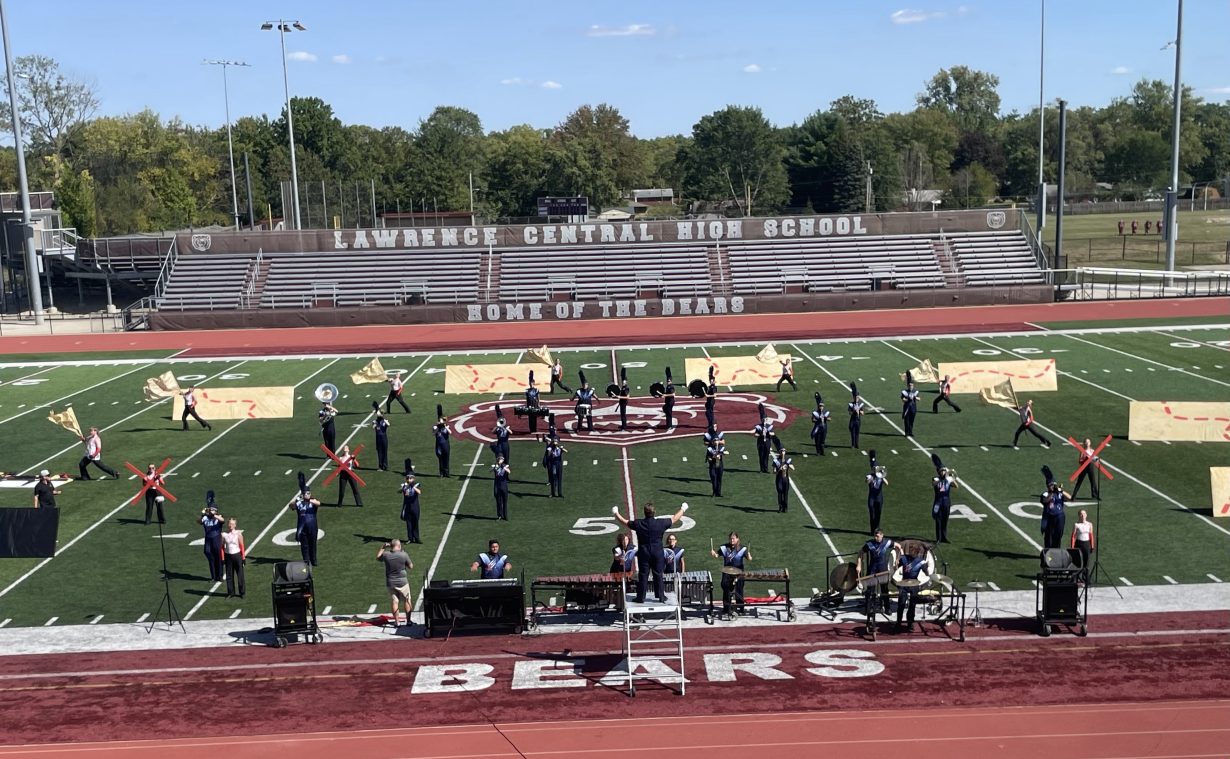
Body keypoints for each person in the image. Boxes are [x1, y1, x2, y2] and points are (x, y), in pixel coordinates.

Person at [614, 502, 688, 603]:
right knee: (658, 574)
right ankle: (661, 596)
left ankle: (641, 597)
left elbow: (624, 521)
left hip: (644, 553)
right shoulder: (660, 523)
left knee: (643, 575)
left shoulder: (639, 523)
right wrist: (683, 509)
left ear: (644, 512)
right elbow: (675, 518)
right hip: (657, 553)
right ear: (654, 512)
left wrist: (616, 513)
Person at [856, 528, 894, 616]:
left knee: (884, 589)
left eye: (877, 536)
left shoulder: (887, 542)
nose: (876, 538)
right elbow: (860, 552)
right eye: (875, 536)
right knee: (870, 590)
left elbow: (898, 546)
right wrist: (859, 565)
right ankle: (868, 608)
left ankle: (887, 608)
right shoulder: (870, 544)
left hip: (883, 569)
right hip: (872, 569)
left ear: (882, 535)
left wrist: (898, 557)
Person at [711, 532, 751, 616]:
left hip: (739, 572)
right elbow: (717, 555)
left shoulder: (742, 548)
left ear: (737, 539)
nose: (732, 540)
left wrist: (749, 556)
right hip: (727, 572)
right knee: (725, 587)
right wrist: (714, 554)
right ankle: (726, 607)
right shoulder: (724, 548)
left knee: (739, 589)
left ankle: (740, 608)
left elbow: (749, 558)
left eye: (733, 538)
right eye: (730, 539)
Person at [377, 539, 413, 627]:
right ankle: (408, 621)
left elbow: (378, 557)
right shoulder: (403, 554)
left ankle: (397, 622)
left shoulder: (386, 554)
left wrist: (383, 547)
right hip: (403, 582)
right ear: (399, 546)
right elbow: (411, 566)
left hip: (391, 582)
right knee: (407, 600)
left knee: (395, 601)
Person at [895, 550, 927, 631]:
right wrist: (897, 562)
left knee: (912, 605)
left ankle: (910, 623)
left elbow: (926, 572)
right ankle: (898, 622)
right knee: (901, 604)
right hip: (904, 583)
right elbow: (896, 567)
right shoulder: (903, 559)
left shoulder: (921, 562)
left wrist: (926, 569)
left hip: (914, 584)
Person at [291, 485, 322, 567]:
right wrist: (296, 500)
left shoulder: (313, 501)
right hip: (302, 527)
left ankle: (314, 560)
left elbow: (319, 503)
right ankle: (306, 561)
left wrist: (308, 500)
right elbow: (291, 506)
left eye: (308, 493)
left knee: (313, 544)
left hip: (313, 527)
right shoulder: (299, 503)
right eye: (305, 493)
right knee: (304, 546)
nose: (307, 495)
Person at [199, 495, 225, 583]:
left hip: (216, 539)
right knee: (208, 553)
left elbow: (222, 520)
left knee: (218, 557)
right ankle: (213, 576)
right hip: (208, 539)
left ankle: (220, 576)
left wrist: (214, 514)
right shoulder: (205, 517)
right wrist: (203, 515)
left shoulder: (218, 516)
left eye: (212, 509)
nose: (210, 511)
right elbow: (198, 521)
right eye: (209, 509)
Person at [1040, 480, 1071, 550]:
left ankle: (1056, 550)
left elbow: (1070, 498)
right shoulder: (1045, 494)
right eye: (1050, 485)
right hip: (1049, 517)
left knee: (1058, 534)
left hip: (1060, 517)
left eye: (1053, 485)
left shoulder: (1059, 494)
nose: (1052, 487)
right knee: (1049, 535)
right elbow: (1045, 500)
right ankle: (1048, 551)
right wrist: (1052, 493)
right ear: (1048, 486)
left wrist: (1061, 491)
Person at [221, 517, 246, 598]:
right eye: (229, 523)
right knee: (229, 575)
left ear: (235, 525)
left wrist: (243, 558)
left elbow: (242, 546)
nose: (230, 525)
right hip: (228, 556)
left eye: (232, 524)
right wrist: (222, 558)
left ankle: (242, 592)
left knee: (240, 575)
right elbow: (222, 547)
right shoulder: (224, 534)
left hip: (237, 555)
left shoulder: (238, 533)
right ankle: (231, 593)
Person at [932, 467, 958, 543]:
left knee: (945, 519)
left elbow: (956, 486)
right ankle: (938, 538)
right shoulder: (935, 478)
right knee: (938, 520)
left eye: (944, 471)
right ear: (939, 472)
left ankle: (944, 537)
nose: (943, 472)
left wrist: (951, 478)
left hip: (946, 501)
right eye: (942, 471)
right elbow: (933, 484)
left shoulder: (948, 479)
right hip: (938, 501)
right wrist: (942, 479)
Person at [866, 452, 887, 533]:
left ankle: (877, 528)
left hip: (879, 497)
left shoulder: (881, 476)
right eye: (874, 468)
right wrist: (870, 479)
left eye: (876, 468)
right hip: (872, 497)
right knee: (872, 512)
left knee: (878, 513)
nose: (875, 470)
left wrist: (882, 477)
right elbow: (867, 482)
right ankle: (872, 529)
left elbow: (887, 483)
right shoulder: (870, 476)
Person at [1070, 509, 1095, 574]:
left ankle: (1085, 577)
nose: (1083, 515)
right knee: (1078, 561)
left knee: (1086, 562)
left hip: (1087, 544)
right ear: (1079, 515)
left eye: (1084, 514)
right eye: (1081, 514)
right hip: (1079, 544)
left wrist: (1092, 546)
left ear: (1086, 515)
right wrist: (1072, 547)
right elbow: (1073, 536)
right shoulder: (1076, 525)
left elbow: (1091, 535)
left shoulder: (1089, 524)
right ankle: (1076, 576)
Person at [399, 473, 422, 543]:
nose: (409, 480)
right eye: (407, 478)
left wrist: (413, 487)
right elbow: (399, 491)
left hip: (415, 507)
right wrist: (403, 488)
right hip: (407, 507)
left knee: (415, 522)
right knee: (408, 523)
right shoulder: (404, 485)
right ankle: (410, 538)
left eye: (410, 478)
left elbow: (419, 492)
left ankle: (417, 538)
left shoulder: (416, 485)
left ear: (413, 479)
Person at [492, 455, 511, 520]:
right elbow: (492, 470)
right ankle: (499, 515)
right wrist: (496, 467)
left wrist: (504, 467)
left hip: (504, 486)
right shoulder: (496, 466)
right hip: (497, 486)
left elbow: (509, 472)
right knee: (498, 501)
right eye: (501, 459)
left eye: (502, 459)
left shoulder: (504, 465)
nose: (502, 460)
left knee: (505, 501)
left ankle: (505, 516)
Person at [433, 411, 451, 478]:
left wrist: (446, 427)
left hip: (446, 445)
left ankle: (447, 473)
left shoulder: (446, 426)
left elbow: (450, 432)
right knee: (440, 459)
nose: (443, 421)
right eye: (442, 420)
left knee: (446, 459)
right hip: (439, 445)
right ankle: (441, 473)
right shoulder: (435, 427)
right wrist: (437, 428)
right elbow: (433, 433)